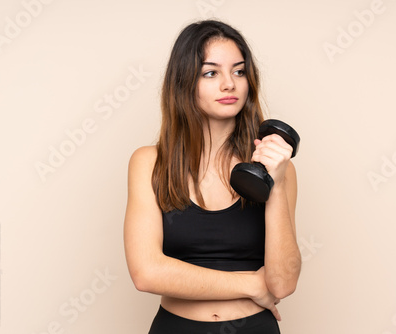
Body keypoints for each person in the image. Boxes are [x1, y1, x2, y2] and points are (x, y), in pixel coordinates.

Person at [123, 19, 301, 334]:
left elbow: (283, 282)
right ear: (184, 82)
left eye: (239, 71)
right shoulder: (149, 163)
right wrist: (251, 284)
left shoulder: (280, 170)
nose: (229, 84)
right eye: (211, 72)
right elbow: (146, 272)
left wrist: (275, 183)